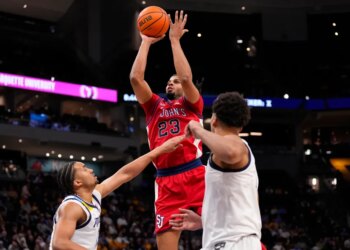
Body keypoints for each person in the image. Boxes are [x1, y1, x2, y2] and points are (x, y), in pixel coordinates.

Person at [129, 9, 206, 250]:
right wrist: (145, 42)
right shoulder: (154, 107)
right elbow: (135, 78)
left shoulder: (193, 104)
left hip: (196, 175)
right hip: (166, 181)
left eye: (173, 81)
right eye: (168, 81)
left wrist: (174, 40)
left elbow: (185, 77)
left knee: (226, 230)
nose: (170, 83)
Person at [49, 135, 185, 250]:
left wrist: (158, 151)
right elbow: (59, 243)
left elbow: (125, 174)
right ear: (77, 182)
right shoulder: (72, 206)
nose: (90, 170)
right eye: (84, 169)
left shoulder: (94, 195)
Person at [170, 92, 263, 250]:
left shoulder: (235, 144)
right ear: (241, 125)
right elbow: (243, 207)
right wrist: (204, 220)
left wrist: (197, 130)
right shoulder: (240, 151)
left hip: (234, 243)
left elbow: (231, 152)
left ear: (214, 119)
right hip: (230, 241)